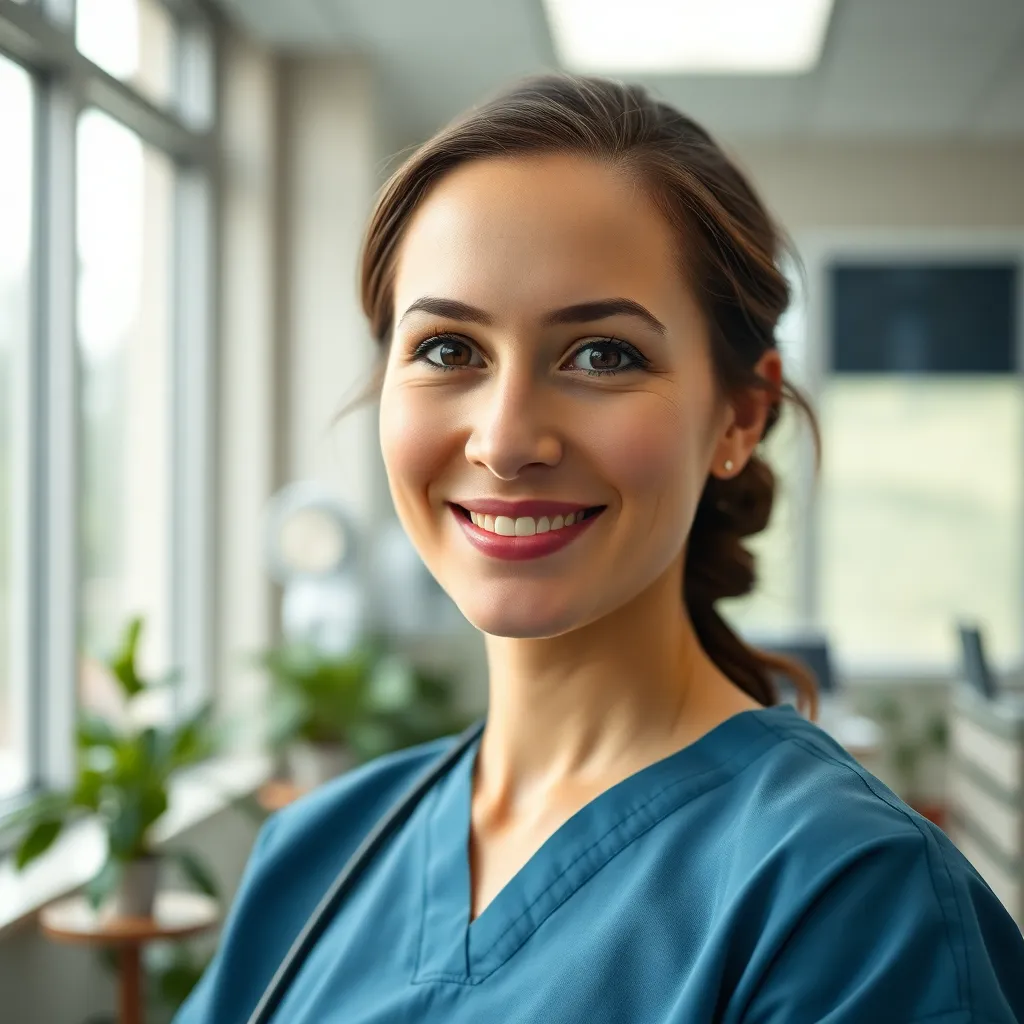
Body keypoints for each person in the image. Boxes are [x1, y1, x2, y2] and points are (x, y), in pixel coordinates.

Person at [175, 74, 1024, 1023]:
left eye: (603, 355)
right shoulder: (319, 851)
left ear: (740, 415)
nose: (503, 440)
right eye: (449, 350)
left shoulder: (851, 901)